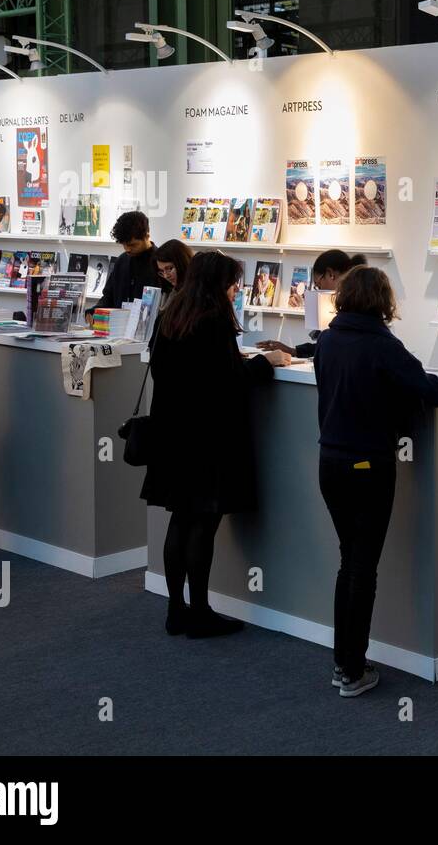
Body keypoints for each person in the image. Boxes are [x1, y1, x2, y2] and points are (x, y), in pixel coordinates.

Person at [314, 265, 438, 696]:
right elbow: (436, 393)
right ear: (383, 303)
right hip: (369, 465)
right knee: (361, 568)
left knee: (348, 561)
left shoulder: (328, 341)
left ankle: (343, 663)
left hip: (329, 463)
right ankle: (352, 670)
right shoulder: (382, 347)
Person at [140, 251, 291, 637]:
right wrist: (266, 361)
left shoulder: (172, 315)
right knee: (203, 523)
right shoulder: (213, 320)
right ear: (217, 284)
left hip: (172, 434)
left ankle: (177, 609)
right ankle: (201, 610)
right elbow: (228, 380)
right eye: (231, 282)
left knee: (179, 519)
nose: (234, 289)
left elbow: (168, 370)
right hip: (206, 439)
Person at [256, 249, 366, 359]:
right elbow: (327, 346)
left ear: (330, 274)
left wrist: (293, 351)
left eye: (318, 285)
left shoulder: (353, 307)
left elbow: (335, 347)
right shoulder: (353, 301)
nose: (318, 290)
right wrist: (293, 351)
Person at [93, 210, 164, 312]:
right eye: (123, 245)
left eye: (132, 245)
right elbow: (109, 295)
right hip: (118, 325)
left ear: (147, 236)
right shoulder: (121, 260)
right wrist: (95, 310)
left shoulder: (161, 263)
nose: (127, 249)